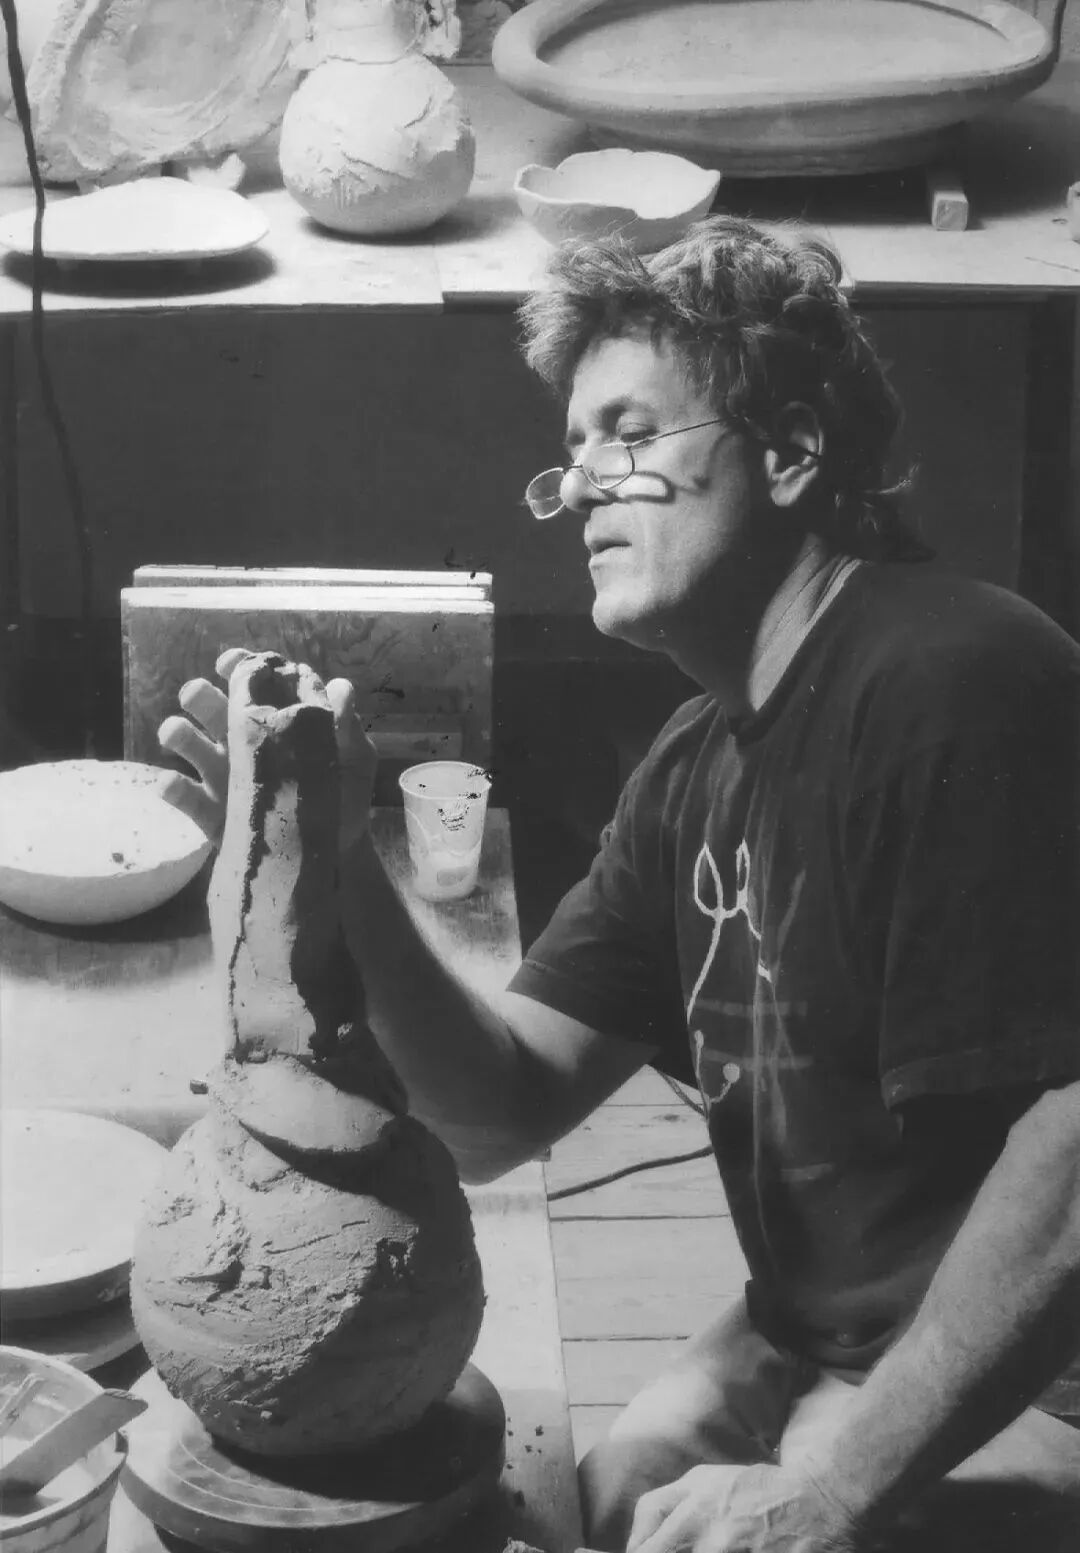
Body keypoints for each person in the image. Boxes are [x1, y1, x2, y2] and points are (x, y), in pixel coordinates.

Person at [159, 217, 1080, 1553]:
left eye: (630, 436)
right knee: (572, 1510)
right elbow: (495, 1111)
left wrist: (831, 1495)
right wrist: (333, 851)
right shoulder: (696, 765)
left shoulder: (954, 681)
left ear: (791, 451)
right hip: (812, 1332)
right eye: (573, 453)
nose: (583, 487)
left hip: (1036, 1377)